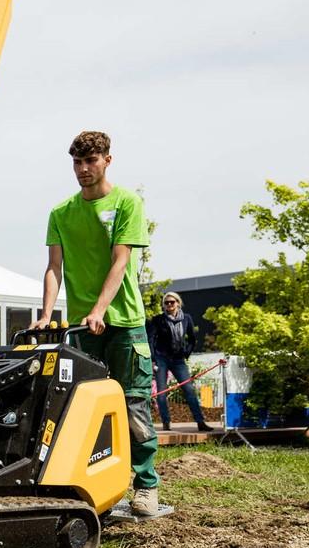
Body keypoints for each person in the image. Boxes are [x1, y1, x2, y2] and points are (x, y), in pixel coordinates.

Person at [29, 131, 161, 517]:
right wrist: (46, 315)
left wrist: (100, 309)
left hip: (124, 323)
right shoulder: (61, 213)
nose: (83, 169)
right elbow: (54, 268)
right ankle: (96, 484)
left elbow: (121, 261)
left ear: (107, 160)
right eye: (77, 162)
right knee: (81, 408)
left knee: (133, 405)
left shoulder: (127, 203)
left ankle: (146, 485)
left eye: (91, 161)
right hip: (82, 329)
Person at [148, 292, 211, 432]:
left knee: (189, 390)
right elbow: (151, 340)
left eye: (172, 302)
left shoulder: (186, 318)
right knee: (162, 392)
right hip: (161, 358)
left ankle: (200, 422)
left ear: (178, 303)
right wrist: (153, 359)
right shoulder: (158, 320)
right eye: (166, 303)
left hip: (178, 359)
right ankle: (166, 422)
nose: (169, 304)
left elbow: (192, 338)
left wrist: (186, 353)